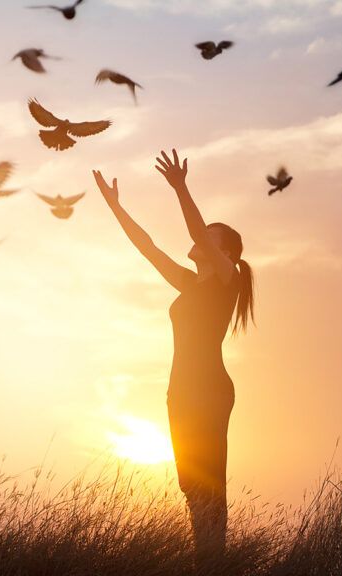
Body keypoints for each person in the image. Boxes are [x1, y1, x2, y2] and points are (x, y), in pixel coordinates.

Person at [93, 149, 255, 560]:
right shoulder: (190, 285)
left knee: (209, 483)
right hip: (179, 390)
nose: (201, 237)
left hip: (209, 389)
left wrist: (181, 188)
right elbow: (148, 248)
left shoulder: (227, 279)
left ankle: (214, 562)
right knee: (191, 485)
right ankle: (208, 559)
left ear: (227, 253)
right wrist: (116, 207)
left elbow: (198, 233)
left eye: (212, 235)